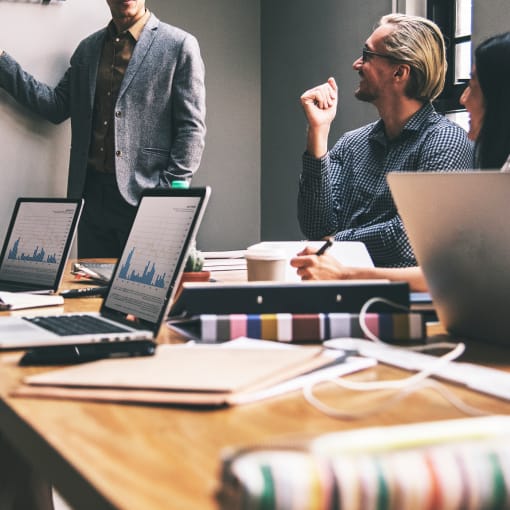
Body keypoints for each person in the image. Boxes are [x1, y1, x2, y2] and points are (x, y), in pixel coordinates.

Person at [292, 30, 510, 292]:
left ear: (400, 73)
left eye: (367, 55)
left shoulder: (445, 141)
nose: (356, 65)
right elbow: (315, 227)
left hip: (400, 300)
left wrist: (335, 243)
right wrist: (318, 133)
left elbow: (407, 241)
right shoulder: (352, 143)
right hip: (340, 290)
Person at [0, 0, 206, 258]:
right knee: (92, 293)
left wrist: (164, 194)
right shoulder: (88, 50)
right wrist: (2, 63)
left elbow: (191, 130)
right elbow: (54, 106)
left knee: (142, 293)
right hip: (91, 199)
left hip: (146, 199)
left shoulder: (179, 45)